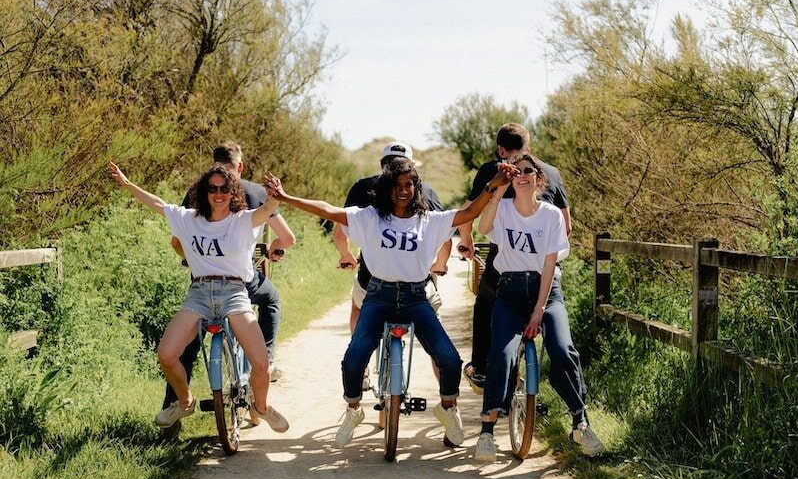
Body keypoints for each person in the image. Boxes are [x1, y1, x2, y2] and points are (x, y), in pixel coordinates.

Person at [265, 157, 517, 448]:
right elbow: (327, 209)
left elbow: (470, 211)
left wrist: (494, 184)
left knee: (450, 359)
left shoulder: (429, 221)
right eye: (397, 185)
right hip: (379, 296)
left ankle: (448, 409)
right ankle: (353, 410)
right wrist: (285, 198)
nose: (404, 190)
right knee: (354, 357)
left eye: (410, 185)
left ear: (416, 188)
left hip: (415, 297)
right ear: (387, 188)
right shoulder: (370, 217)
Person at [108, 161, 289, 433]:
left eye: (225, 188)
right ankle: (185, 402)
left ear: (233, 191)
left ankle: (260, 407)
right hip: (199, 294)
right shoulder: (190, 220)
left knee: (262, 363)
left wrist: (276, 195)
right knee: (167, 355)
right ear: (204, 191)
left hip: (234, 293)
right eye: (213, 188)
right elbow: (157, 204)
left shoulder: (242, 221)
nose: (219, 194)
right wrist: (126, 184)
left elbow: (266, 211)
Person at [457, 123, 603, 457]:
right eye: (518, 171)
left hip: (545, 288)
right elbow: (483, 223)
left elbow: (554, 252)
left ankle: (581, 424)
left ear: (540, 178)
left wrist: (538, 309)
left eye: (529, 172)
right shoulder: (502, 197)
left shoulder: (548, 214)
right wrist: (499, 186)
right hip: (509, 286)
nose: (522, 174)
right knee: (502, 353)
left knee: (563, 349)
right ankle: (487, 430)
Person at [163, 141, 295, 435]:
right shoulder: (256, 191)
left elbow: (177, 241)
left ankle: (173, 409)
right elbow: (287, 237)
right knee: (270, 299)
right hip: (242, 280)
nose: (220, 192)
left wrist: (192, 257)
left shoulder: (199, 192)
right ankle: (267, 361)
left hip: (203, 277)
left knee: (186, 345)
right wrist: (273, 249)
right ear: (241, 166)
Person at [332, 141, 451, 386]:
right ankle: (447, 394)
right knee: (434, 334)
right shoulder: (424, 191)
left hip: (372, 280)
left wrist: (346, 256)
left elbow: (340, 230)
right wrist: (439, 264)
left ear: (382, 165)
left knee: (358, 307)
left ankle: (362, 365)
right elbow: (445, 238)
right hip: (419, 283)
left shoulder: (364, 187)